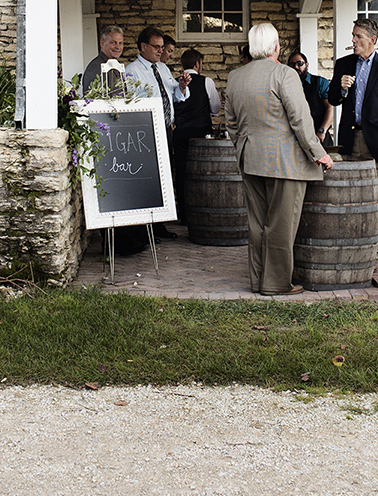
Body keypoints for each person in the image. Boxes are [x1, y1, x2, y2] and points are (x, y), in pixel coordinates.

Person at [224, 22, 332, 295]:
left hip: (251, 158)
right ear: (275, 47)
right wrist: (319, 153)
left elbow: (231, 124)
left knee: (257, 224)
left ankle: (258, 280)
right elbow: (300, 119)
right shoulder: (284, 74)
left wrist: (243, 149)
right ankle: (276, 283)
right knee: (281, 226)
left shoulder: (235, 77)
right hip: (286, 162)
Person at [124, 25, 192, 242]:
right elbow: (129, 103)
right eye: (157, 47)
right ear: (143, 46)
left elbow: (177, 95)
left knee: (164, 177)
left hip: (165, 130)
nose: (161, 51)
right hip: (145, 132)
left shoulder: (162, 69)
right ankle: (145, 227)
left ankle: (159, 224)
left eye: (162, 47)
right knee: (148, 179)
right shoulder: (132, 71)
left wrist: (181, 85)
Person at [328, 17, 378, 192]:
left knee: (376, 190)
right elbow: (332, 98)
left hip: (376, 138)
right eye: (353, 35)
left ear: (372, 40)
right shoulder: (343, 64)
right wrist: (342, 89)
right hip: (350, 137)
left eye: (358, 36)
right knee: (350, 189)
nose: (353, 40)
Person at [171, 48, 221, 232]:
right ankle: (202, 212)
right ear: (197, 64)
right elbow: (215, 109)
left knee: (182, 173)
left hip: (181, 133)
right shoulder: (206, 81)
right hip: (201, 134)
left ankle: (184, 214)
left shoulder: (174, 82)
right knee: (203, 174)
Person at [288, 51, 335, 146]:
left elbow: (331, 108)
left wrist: (322, 130)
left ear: (307, 65)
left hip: (319, 137)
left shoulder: (320, 83)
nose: (296, 67)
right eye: (292, 64)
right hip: (294, 140)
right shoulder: (286, 86)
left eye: (300, 63)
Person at [81, 25, 127, 98]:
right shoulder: (95, 67)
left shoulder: (116, 66)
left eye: (120, 43)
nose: (118, 47)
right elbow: (91, 98)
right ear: (102, 43)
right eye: (113, 42)